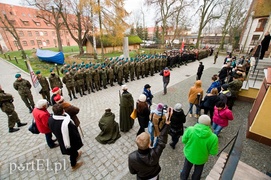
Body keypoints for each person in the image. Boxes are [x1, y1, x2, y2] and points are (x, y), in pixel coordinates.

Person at [128, 115, 170, 179]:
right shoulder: (155, 153)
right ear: (149, 144)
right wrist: (167, 124)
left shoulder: (132, 157)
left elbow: (132, 171)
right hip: (154, 176)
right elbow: (161, 142)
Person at [180, 115, 218, 180]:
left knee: (186, 168)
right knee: (198, 171)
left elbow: (183, 140)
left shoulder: (190, 129)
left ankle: (183, 177)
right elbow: (213, 152)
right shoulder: (213, 137)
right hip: (201, 158)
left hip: (189, 154)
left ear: (198, 121)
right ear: (209, 124)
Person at [48, 104, 84, 171]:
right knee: (72, 152)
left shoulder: (51, 119)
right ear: (63, 111)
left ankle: (76, 154)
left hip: (61, 138)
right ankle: (74, 165)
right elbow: (73, 133)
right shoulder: (66, 123)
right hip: (68, 141)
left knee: (74, 152)